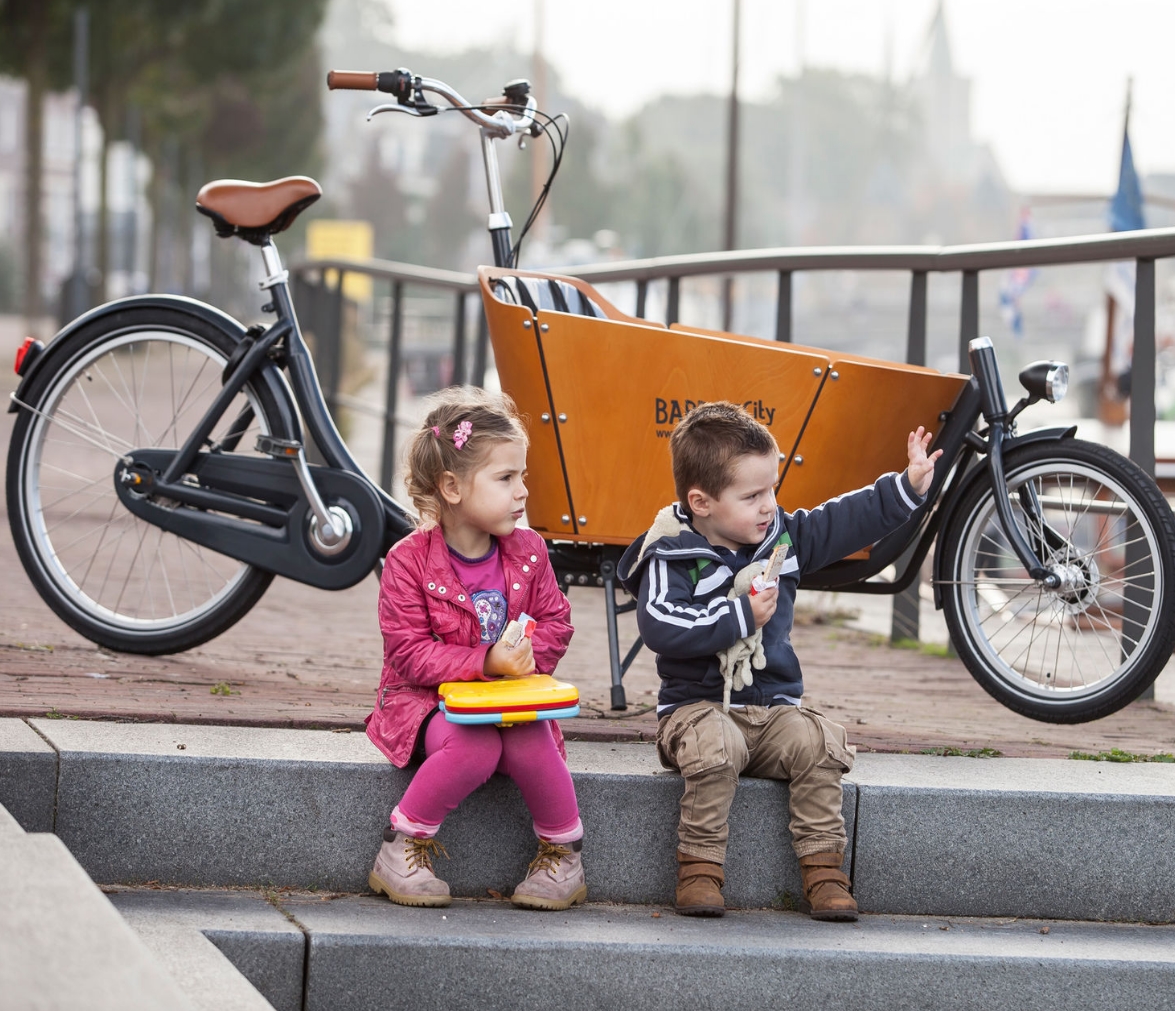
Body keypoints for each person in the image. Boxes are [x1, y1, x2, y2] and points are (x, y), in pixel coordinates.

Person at [616, 401, 941, 920]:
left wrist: (906, 488)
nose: (769, 505)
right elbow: (660, 624)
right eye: (752, 496)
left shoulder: (781, 538)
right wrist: (739, 616)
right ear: (701, 502)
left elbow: (843, 520)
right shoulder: (671, 552)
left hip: (772, 712)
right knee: (716, 745)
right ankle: (699, 870)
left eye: (772, 489)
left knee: (817, 742)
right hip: (696, 711)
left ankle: (824, 872)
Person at [365, 386, 586, 911]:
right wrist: (485, 662)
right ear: (452, 486)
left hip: (510, 698)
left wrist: (526, 660)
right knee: (475, 746)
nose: (523, 492)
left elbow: (555, 619)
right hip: (427, 702)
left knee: (531, 739)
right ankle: (402, 846)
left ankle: (564, 857)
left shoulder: (529, 552)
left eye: (523, 477)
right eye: (506, 478)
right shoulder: (408, 561)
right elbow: (409, 654)